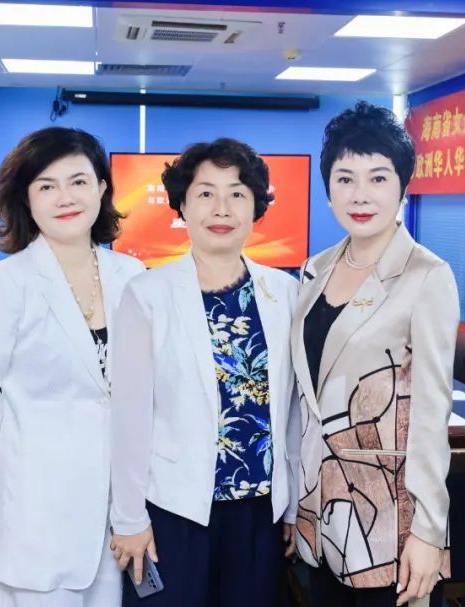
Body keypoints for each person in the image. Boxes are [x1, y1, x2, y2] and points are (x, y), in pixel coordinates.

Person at [0, 127, 145, 607]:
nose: (65, 197)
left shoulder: (131, 276)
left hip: (112, 505)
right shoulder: (6, 284)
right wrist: (19, 444)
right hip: (36, 505)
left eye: (78, 182)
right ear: (26, 200)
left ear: (101, 189)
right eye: (46, 186)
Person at [108, 138, 302, 606]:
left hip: (260, 512)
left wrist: (294, 504)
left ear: (256, 207)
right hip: (175, 510)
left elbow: (293, 411)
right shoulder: (147, 295)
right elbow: (129, 416)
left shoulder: (284, 292)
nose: (222, 208)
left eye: (237, 194)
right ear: (182, 206)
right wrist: (128, 518)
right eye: (205, 193)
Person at [290, 101, 458, 607]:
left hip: (390, 522)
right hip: (321, 512)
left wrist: (429, 531)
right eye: (345, 179)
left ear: (402, 186)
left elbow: (430, 414)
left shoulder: (426, 276)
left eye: (378, 178)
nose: (360, 195)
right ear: (328, 190)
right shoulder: (314, 270)